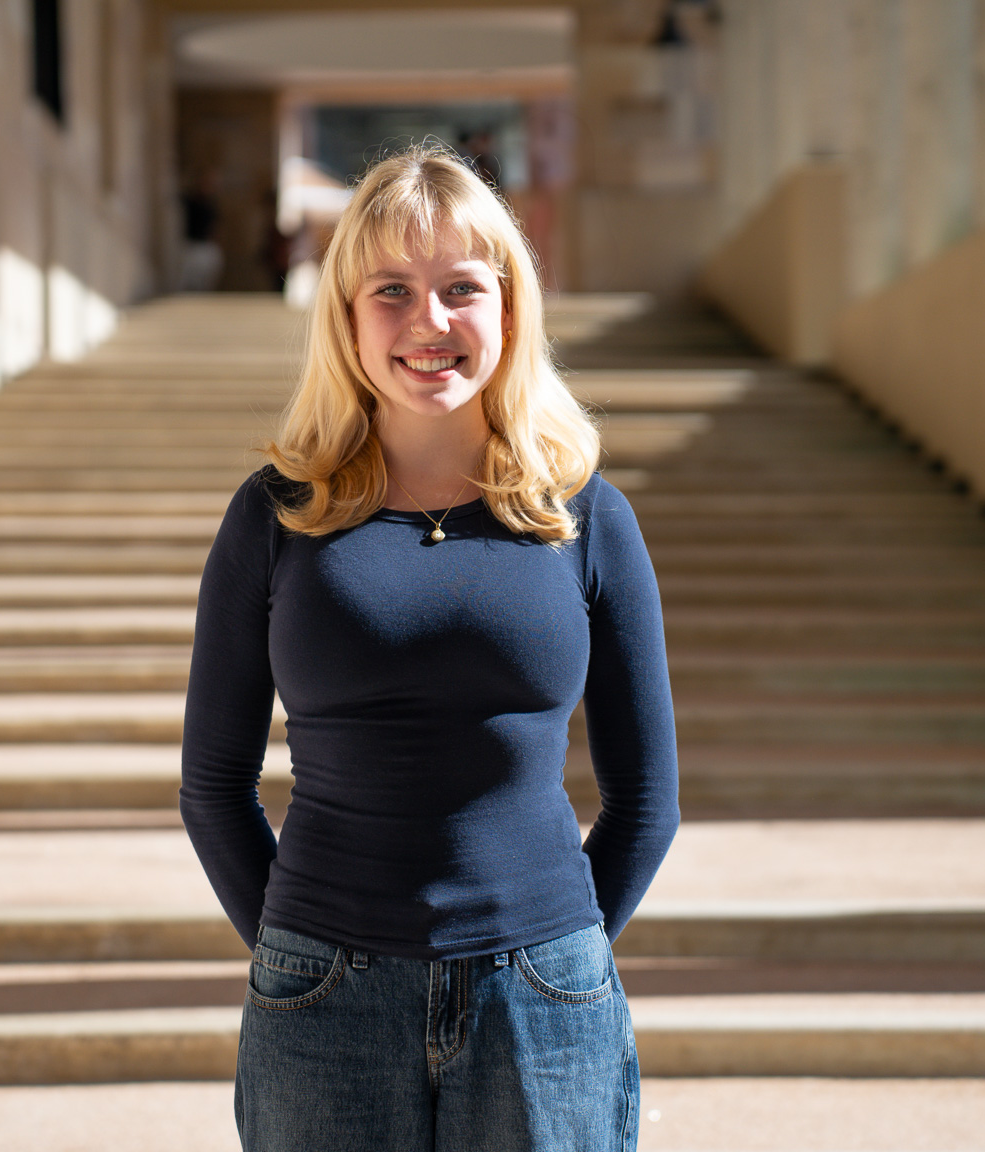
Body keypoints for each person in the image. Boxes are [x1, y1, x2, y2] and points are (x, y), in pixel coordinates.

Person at [179, 145, 680, 1151]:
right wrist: (297, 948)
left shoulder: (587, 519)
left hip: (544, 992)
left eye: (461, 288)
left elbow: (645, 802)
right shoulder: (276, 517)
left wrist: (560, 950)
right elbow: (213, 787)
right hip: (322, 995)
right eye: (392, 291)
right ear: (347, 317)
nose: (430, 322)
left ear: (509, 309)